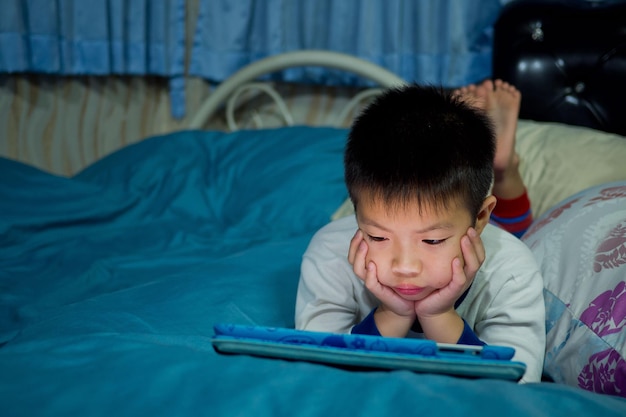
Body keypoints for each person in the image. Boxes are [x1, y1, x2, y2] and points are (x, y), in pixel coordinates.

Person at [294, 80, 546, 383]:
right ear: (356, 213)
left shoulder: (513, 270)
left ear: (480, 217)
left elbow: (519, 383)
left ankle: (504, 169)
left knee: (525, 239)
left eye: (432, 240)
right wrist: (393, 315)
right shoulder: (329, 252)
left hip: (495, 243)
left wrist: (440, 317)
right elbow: (319, 370)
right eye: (377, 237)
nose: (405, 266)